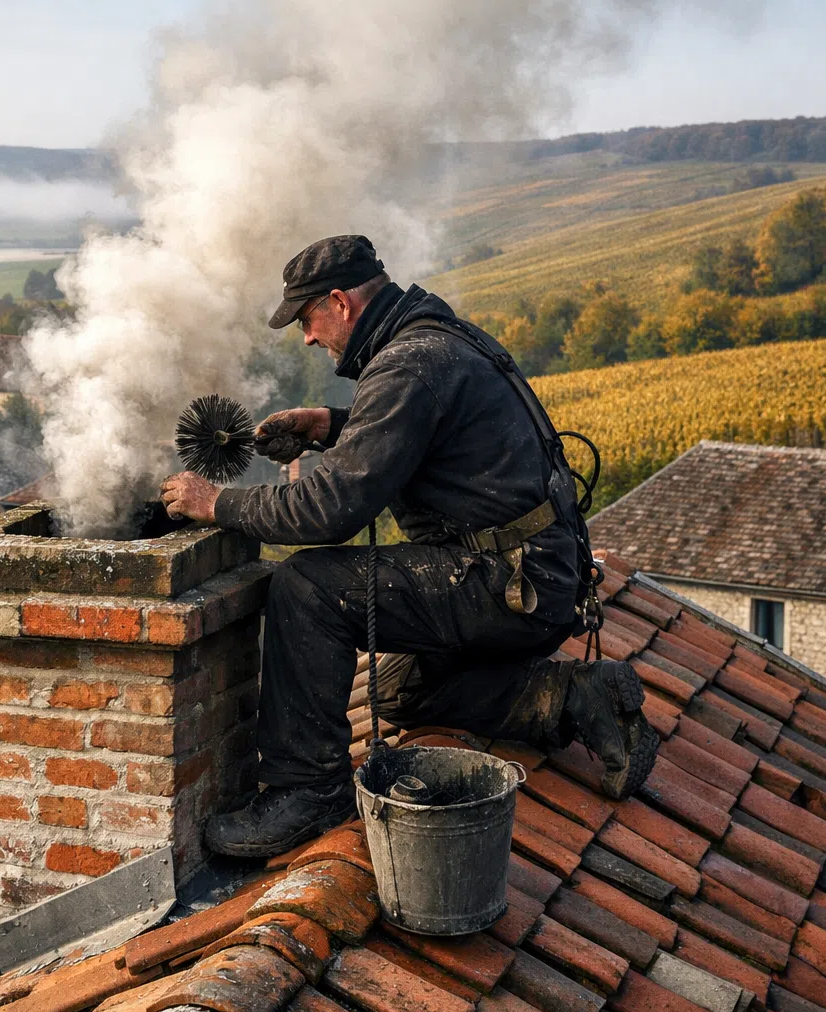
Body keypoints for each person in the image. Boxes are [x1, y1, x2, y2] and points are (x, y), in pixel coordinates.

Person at [160, 235, 657, 858]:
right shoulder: (433, 336)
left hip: (509, 583)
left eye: (307, 319)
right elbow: (423, 435)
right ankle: (577, 699)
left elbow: (329, 510)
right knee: (398, 692)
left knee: (306, 587)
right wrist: (330, 425)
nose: (307, 338)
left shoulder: (407, 365)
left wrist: (217, 503)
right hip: (542, 576)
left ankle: (306, 790)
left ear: (340, 302)